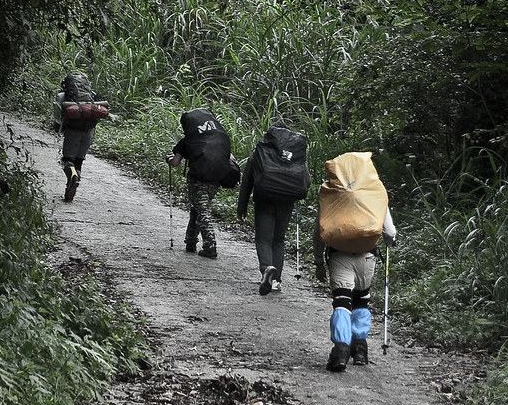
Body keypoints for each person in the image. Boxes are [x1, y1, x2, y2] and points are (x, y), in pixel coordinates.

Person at [314, 197, 396, 373]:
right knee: (361, 299)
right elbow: (389, 232)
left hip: (340, 255)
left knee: (342, 302)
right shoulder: (373, 189)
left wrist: (318, 260)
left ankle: (341, 352)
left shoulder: (332, 190)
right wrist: (389, 241)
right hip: (367, 257)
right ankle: (360, 350)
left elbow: (320, 229)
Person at [237, 125, 310, 295]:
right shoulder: (295, 155)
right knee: (278, 240)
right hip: (286, 202)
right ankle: (276, 280)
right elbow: (306, 181)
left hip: (264, 200)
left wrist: (242, 205)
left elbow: (248, 179)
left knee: (263, 239)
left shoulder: (260, 151)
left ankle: (266, 269)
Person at [166, 109, 239, 260]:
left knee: (202, 210)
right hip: (216, 179)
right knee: (198, 208)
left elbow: (175, 163)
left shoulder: (188, 140)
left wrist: (168, 159)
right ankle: (191, 241)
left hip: (197, 179)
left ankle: (210, 246)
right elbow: (231, 159)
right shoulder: (220, 137)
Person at [53, 72, 100, 203]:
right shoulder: (91, 95)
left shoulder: (62, 96)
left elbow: (57, 116)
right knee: (79, 160)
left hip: (73, 130)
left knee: (67, 159)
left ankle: (72, 176)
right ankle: (72, 185)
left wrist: (59, 125)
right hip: (89, 130)